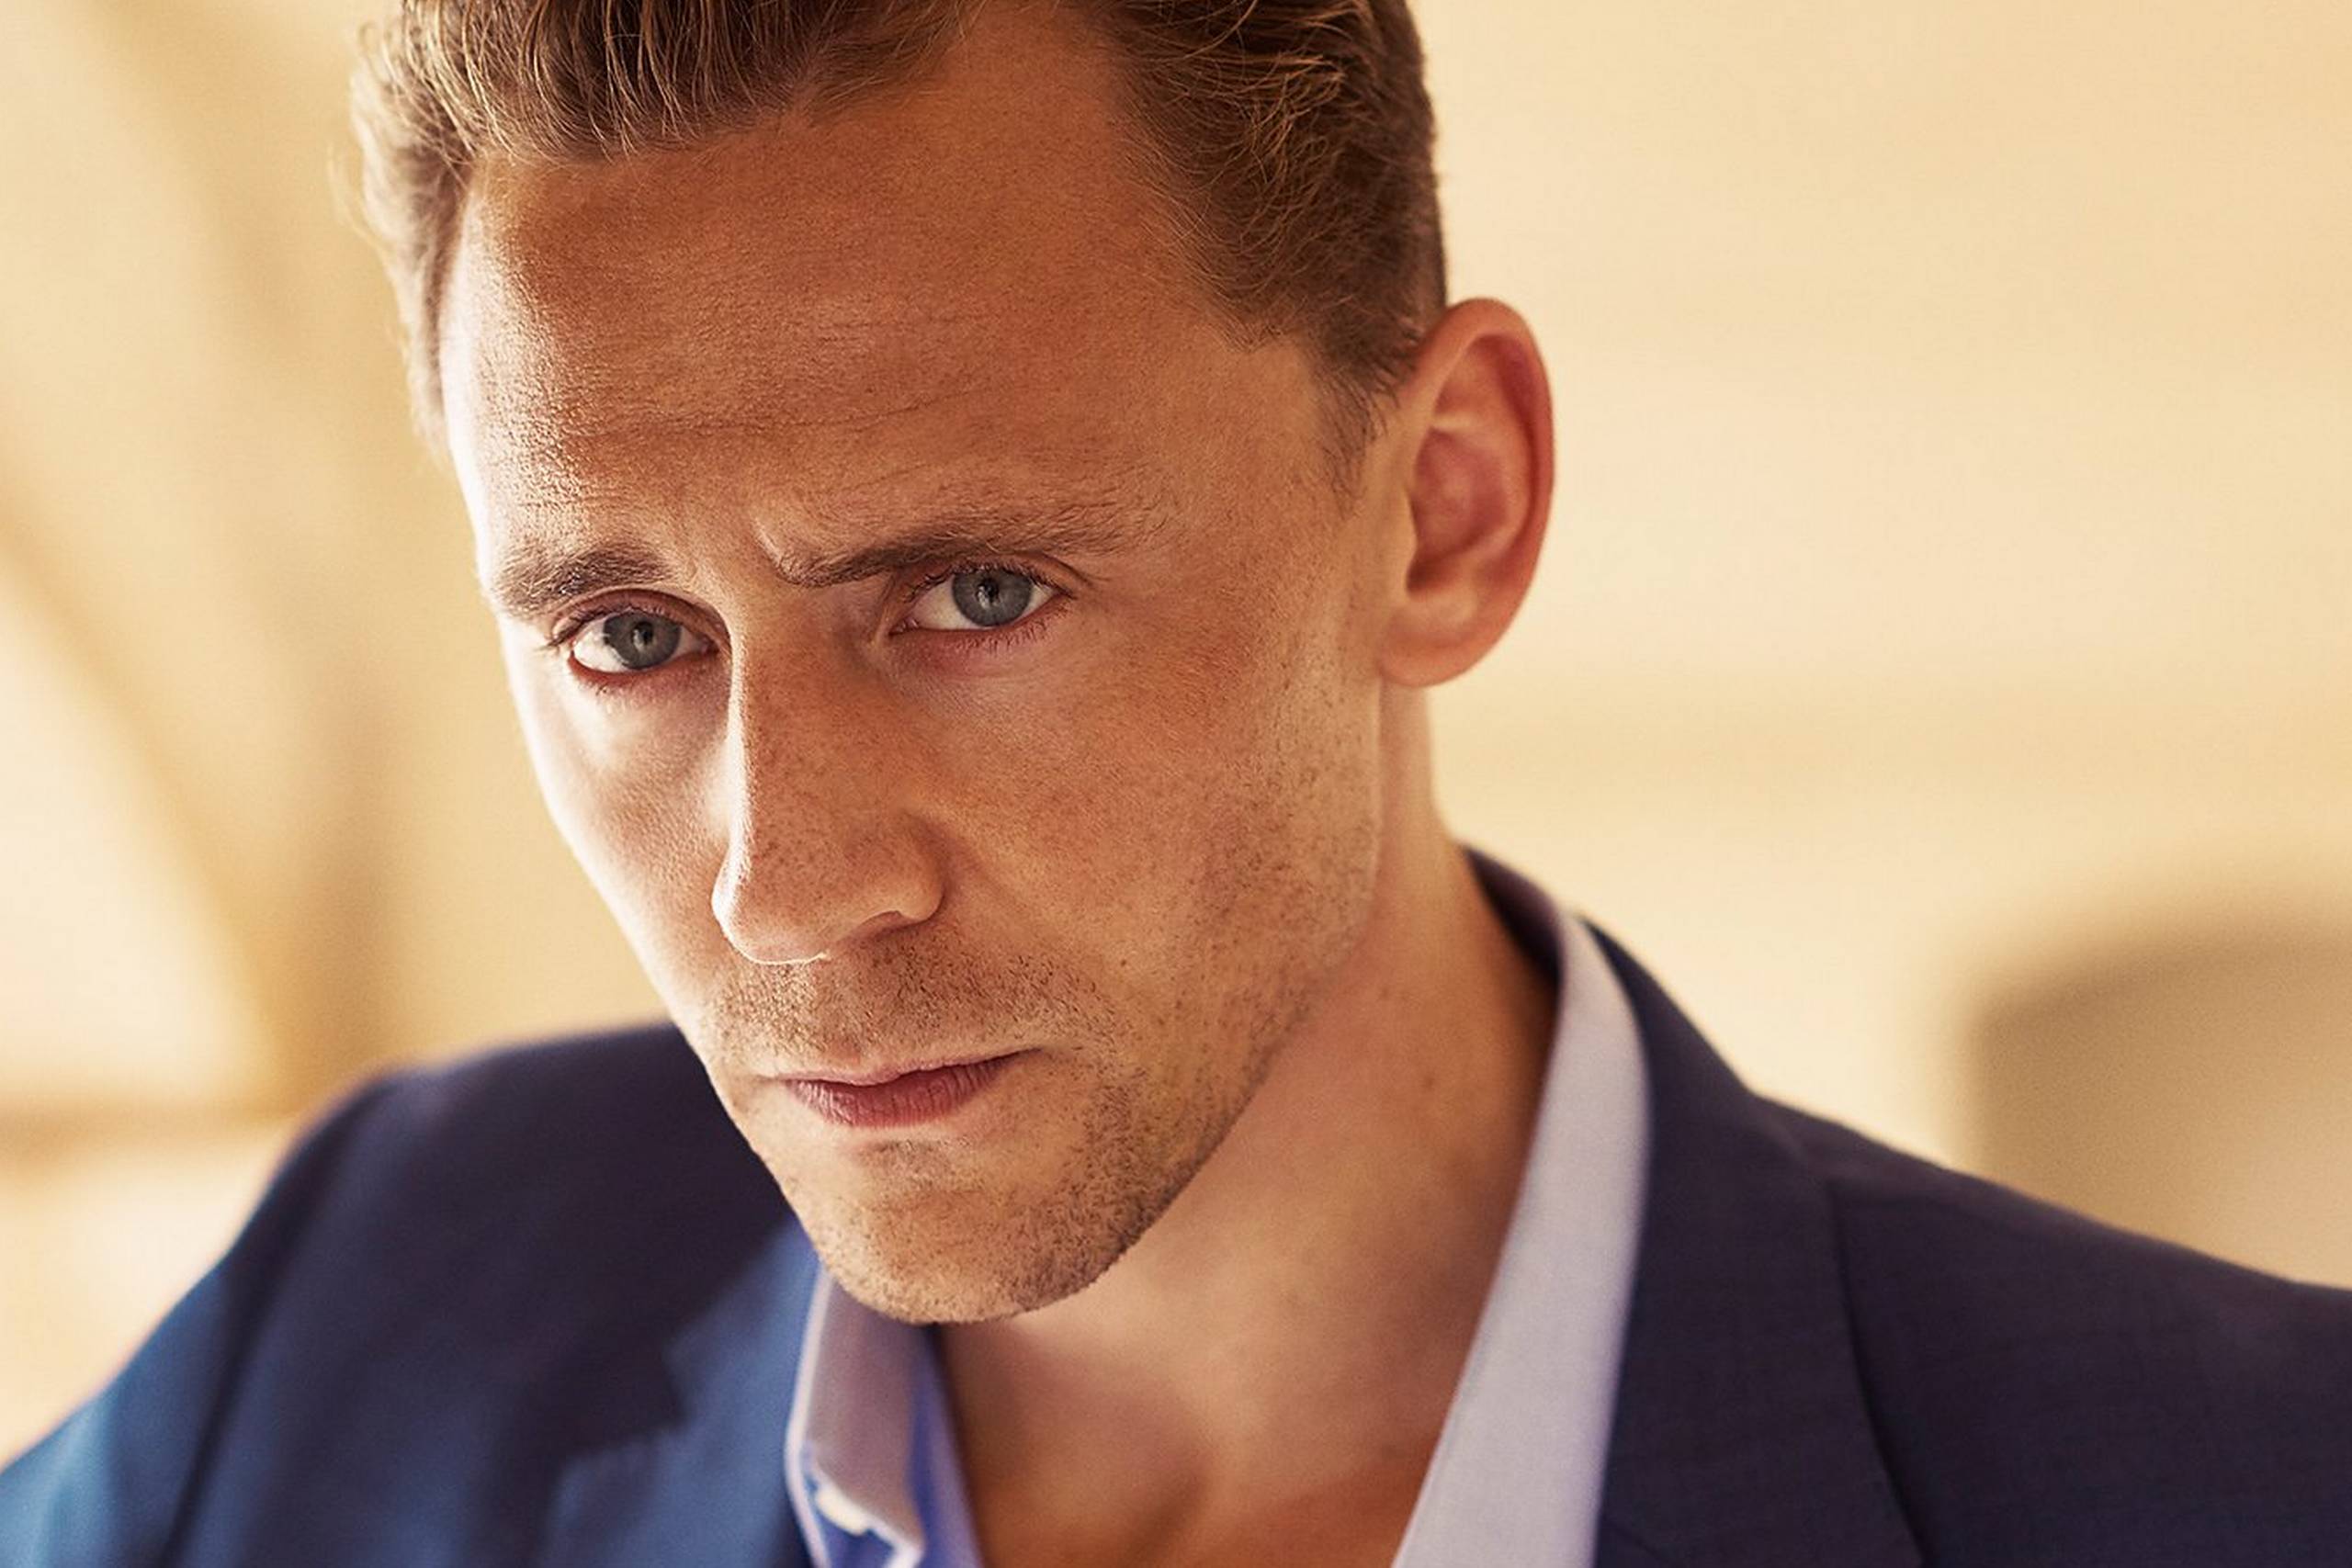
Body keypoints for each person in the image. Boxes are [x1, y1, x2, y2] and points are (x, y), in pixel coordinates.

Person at [5, 0, 2348, 1562]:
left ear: (1441, 510)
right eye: (628, 636)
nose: (785, 886)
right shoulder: (372, 1308)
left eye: (974, 595)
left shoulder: (2251, 1492)